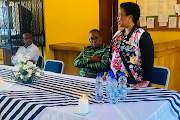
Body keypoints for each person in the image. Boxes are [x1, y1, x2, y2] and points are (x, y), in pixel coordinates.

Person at [103, 2, 154, 89]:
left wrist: (146, 81)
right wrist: (106, 72)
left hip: (133, 83)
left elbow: (148, 60)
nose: (117, 18)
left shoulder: (141, 35)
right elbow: (110, 55)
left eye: (120, 15)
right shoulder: (118, 34)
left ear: (130, 17)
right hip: (114, 81)